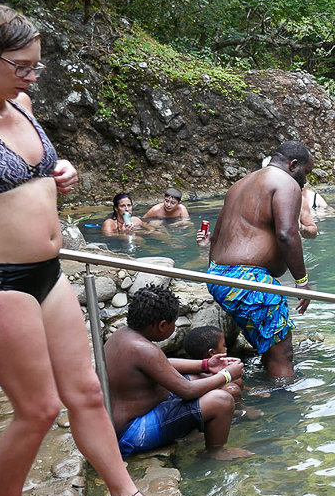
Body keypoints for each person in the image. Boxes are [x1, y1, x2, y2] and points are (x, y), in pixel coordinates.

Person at [0, 3, 180, 496]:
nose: (30, 77)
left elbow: (37, 169)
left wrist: (60, 170)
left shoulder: (19, 104)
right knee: (40, 407)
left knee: (87, 391)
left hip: (47, 272)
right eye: (20, 66)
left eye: (36, 66)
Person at [207, 141, 313, 380]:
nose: (305, 181)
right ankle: (284, 410)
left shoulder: (240, 184)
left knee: (269, 345)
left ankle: (263, 392)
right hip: (248, 280)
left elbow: (215, 236)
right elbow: (287, 234)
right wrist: (302, 282)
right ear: (293, 165)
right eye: (306, 173)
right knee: (283, 354)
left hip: (217, 275)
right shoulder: (285, 183)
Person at [105, 286, 249, 460]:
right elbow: (187, 391)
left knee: (202, 378)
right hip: (132, 432)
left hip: (121, 423)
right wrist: (226, 375)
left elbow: (163, 364)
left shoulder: (123, 335)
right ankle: (214, 452)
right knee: (222, 400)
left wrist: (206, 365)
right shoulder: (143, 349)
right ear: (162, 325)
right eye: (174, 323)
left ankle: (196, 430)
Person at [181, 324, 245, 403]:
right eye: (224, 346)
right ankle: (242, 411)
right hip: (220, 404)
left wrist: (252, 390)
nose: (226, 348)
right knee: (233, 389)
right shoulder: (197, 376)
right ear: (212, 352)